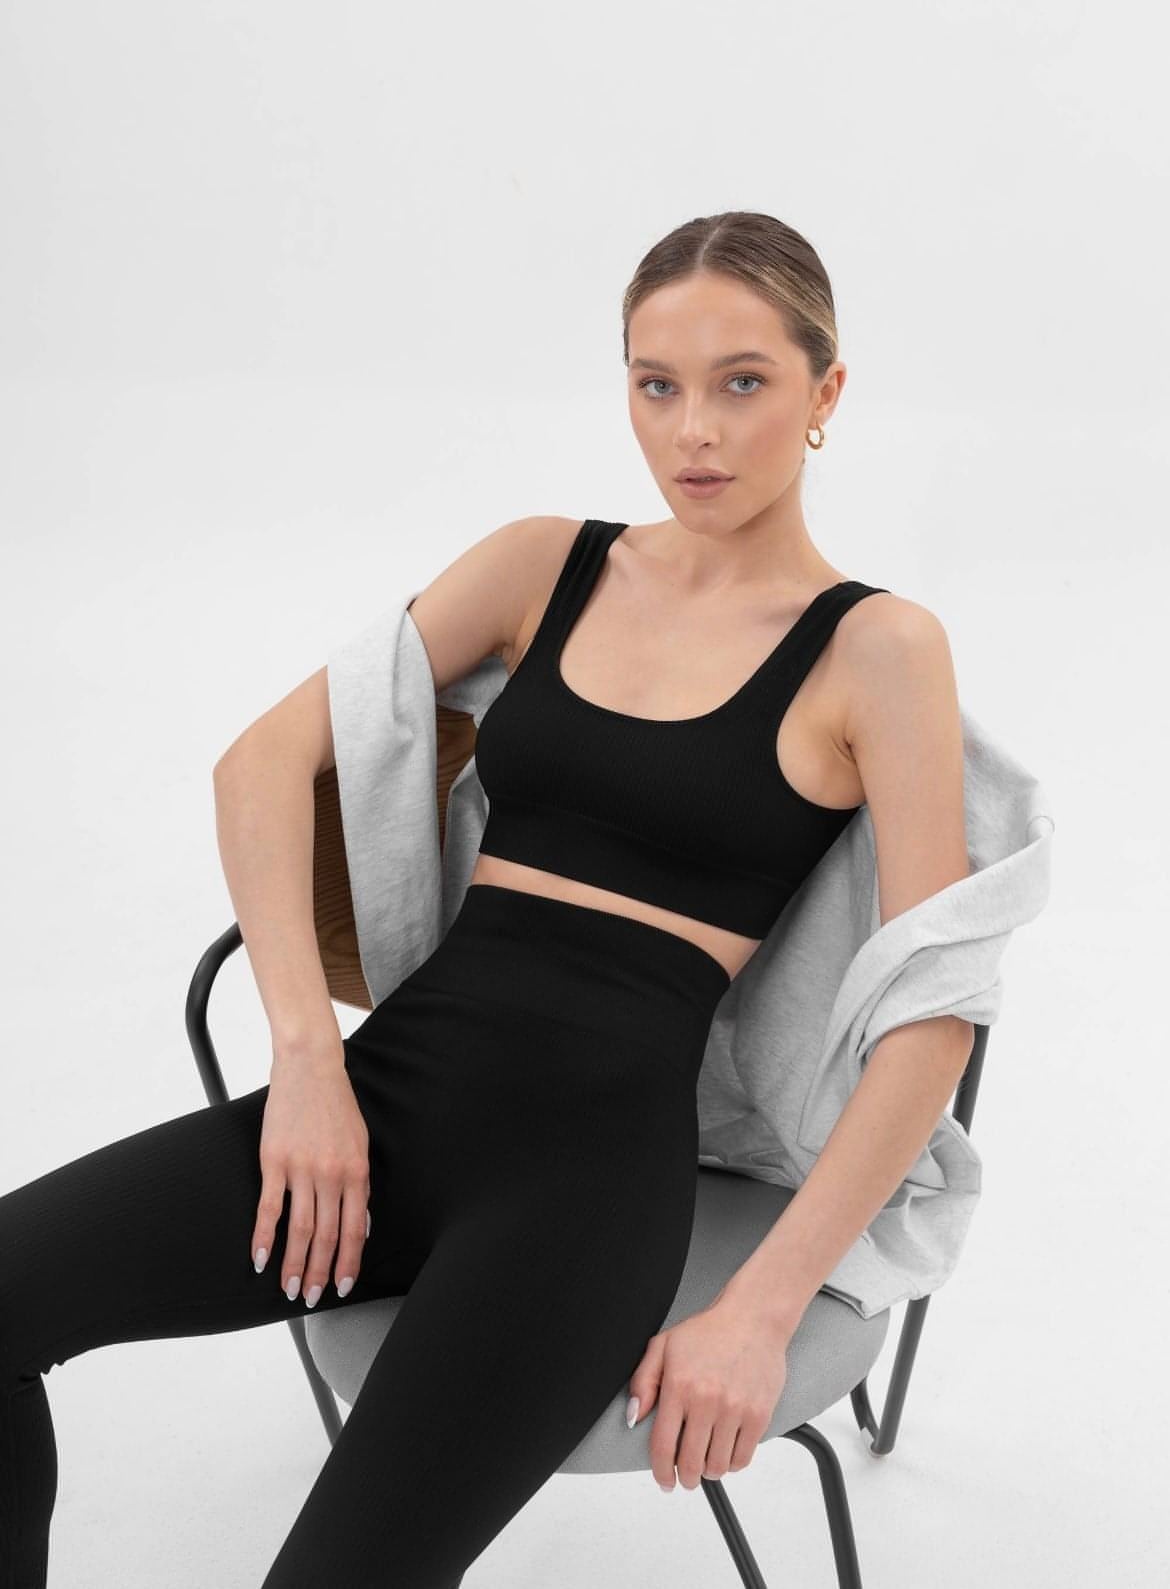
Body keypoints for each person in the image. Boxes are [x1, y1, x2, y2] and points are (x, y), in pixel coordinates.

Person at [0, 211, 972, 1587]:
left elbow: (932, 1015)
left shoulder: (878, 649)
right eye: (656, 384)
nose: (693, 430)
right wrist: (306, 1063)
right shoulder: (542, 564)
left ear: (827, 392)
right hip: (384, 1102)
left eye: (743, 381)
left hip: (583, 1186)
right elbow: (262, 761)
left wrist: (761, 1308)